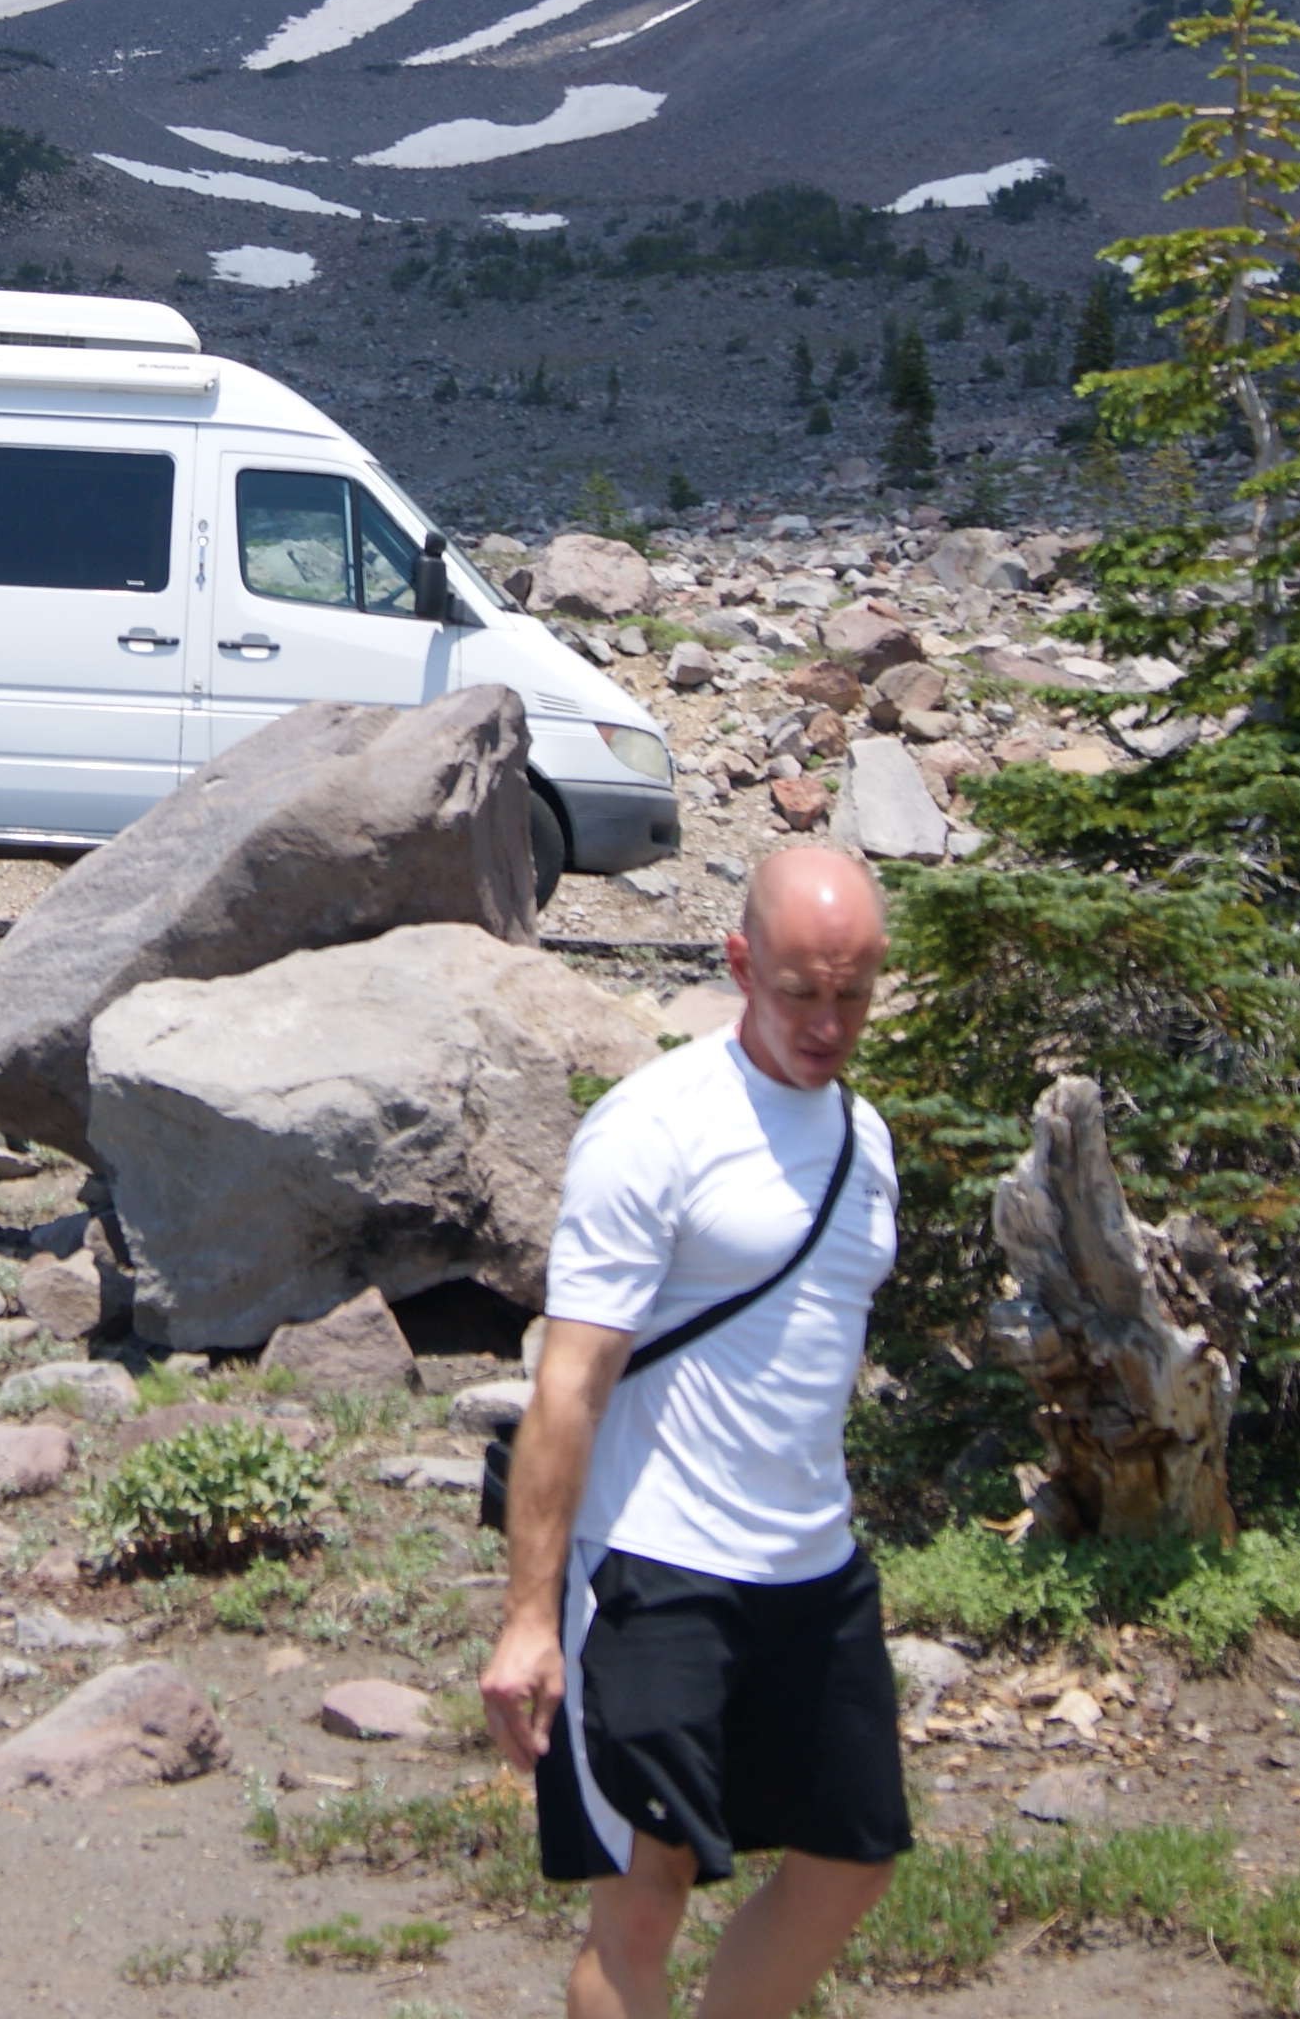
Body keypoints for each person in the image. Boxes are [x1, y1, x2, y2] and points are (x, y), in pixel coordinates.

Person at [480, 841, 905, 2019]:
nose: (825, 1022)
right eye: (799, 990)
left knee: (851, 1853)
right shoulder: (650, 1128)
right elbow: (567, 1381)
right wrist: (528, 1619)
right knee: (641, 1901)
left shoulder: (864, 1143)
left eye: (851, 994)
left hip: (810, 1570)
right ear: (737, 963)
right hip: (654, 1568)